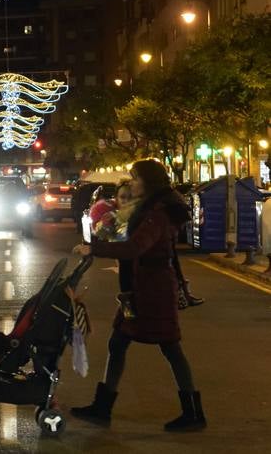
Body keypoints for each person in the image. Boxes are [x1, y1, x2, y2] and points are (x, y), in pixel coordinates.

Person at [71, 159, 206, 432]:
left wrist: (94, 249)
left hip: (153, 291)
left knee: (170, 347)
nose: (131, 183)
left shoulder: (158, 213)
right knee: (118, 342)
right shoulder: (149, 208)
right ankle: (102, 407)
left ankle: (193, 413)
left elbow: (135, 248)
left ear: (148, 181)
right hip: (140, 288)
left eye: (135, 178)